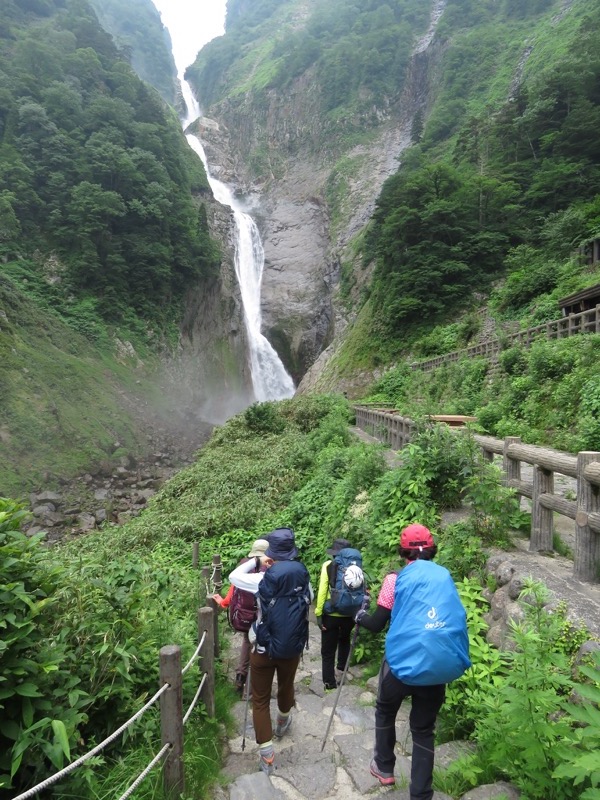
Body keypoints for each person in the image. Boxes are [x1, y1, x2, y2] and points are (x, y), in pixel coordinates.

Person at [355, 523, 470, 798]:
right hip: (438, 665)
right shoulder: (444, 576)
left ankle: (384, 767)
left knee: (385, 709)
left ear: (402, 552)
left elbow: (378, 623)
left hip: (400, 665)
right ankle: (420, 794)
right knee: (423, 729)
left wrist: (359, 618)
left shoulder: (395, 579)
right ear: (432, 550)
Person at [229, 527, 312, 776]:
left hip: (263, 649)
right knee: (286, 686)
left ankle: (266, 756)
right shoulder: (303, 577)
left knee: (260, 700)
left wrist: (255, 560)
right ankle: (283, 722)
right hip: (292, 649)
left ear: (271, 555)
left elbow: (233, 577)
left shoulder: (261, 579)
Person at [212, 538, 269, 696]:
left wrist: (222, 602)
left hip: (244, 615)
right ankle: (252, 688)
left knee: (246, 642)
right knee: (258, 648)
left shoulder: (244, 566)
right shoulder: (270, 567)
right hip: (262, 617)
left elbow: (233, 591)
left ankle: (240, 677)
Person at [315, 537, 357, 690]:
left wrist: (319, 614)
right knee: (344, 640)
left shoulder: (328, 565)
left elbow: (322, 591)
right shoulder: (355, 565)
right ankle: (341, 671)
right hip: (350, 613)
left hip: (331, 614)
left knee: (327, 650)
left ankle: (329, 682)